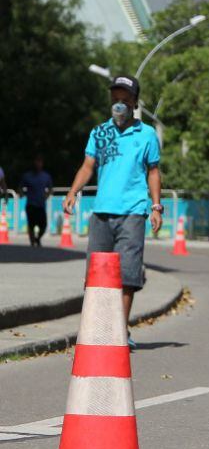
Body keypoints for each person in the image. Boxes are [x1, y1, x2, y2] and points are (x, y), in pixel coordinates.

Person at [63, 76, 162, 348]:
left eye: (125, 99)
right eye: (115, 99)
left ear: (134, 102)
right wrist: (72, 192)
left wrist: (156, 206)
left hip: (133, 211)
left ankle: (119, 331)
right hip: (101, 212)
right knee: (96, 277)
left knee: (128, 275)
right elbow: (87, 166)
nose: (119, 104)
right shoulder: (99, 132)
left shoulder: (147, 135)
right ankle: (97, 330)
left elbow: (153, 172)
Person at [19, 155, 53, 247]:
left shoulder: (46, 176)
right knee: (31, 225)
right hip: (31, 204)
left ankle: (37, 238)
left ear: (42, 163)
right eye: (36, 161)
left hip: (41, 205)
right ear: (34, 163)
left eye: (40, 162)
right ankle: (32, 242)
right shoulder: (27, 176)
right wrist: (21, 193)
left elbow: (50, 188)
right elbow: (21, 187)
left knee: (44, 225)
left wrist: (46, 196)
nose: (38, 164)